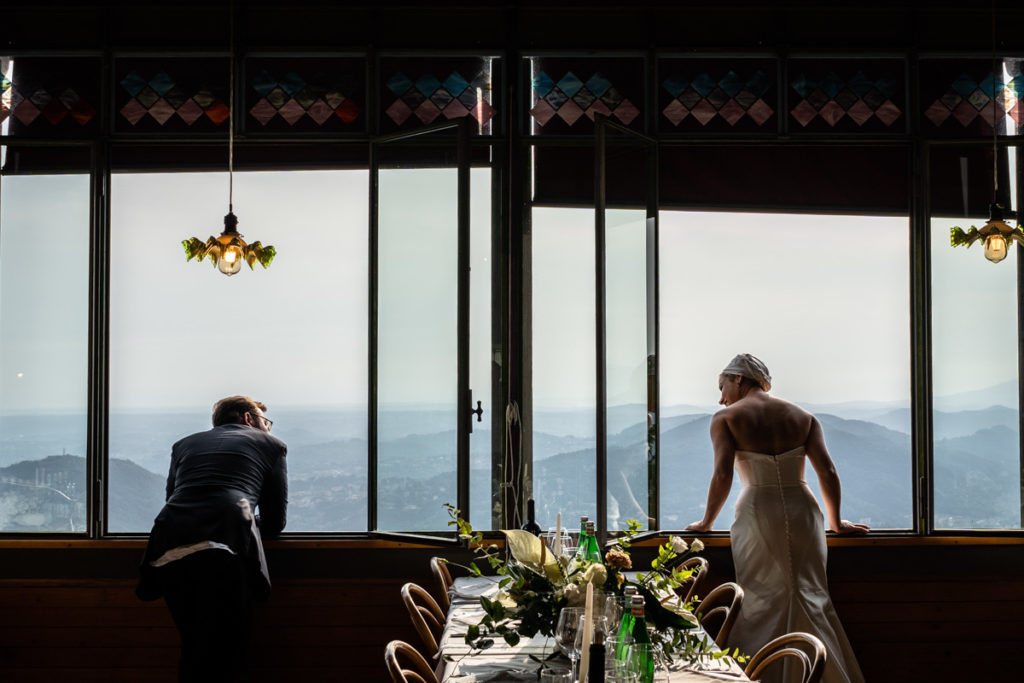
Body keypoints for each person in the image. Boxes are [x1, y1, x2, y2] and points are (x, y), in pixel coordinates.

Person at [686, 354, 868, 683]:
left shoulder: (726, 418)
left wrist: (705, 523)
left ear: (739, 379)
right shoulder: (803, 416)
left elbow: (723, 474)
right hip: (804, 513)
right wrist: (837, 523)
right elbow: (827, 471)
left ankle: (761, 674)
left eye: (722, 386)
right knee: (809, 593)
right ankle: (816, 669)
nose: (721, 396)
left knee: (760, 597)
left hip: (758, 511)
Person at [136, 395, 288, 683]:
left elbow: (173, 497)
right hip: (227, 544)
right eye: (264, 421)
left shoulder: (184, 444)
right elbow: (275, 522)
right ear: (247, 418)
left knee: (193, 645)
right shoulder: (272, 445)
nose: (267, 428)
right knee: (231, 647)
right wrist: (246, 518)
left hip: (170, 538)